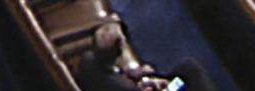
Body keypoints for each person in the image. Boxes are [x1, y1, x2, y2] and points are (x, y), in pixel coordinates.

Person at [77, 19, 218, 91]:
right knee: (191, 70)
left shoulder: (86, 60)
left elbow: (111, 74)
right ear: (119, 52)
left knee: (186, 68)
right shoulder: (126, 88)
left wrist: (136, 76)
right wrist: (165, 86)